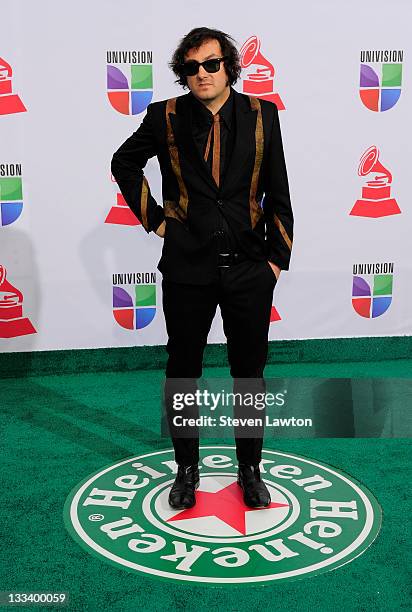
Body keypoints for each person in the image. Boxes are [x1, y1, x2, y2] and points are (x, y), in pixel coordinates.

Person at [111, 27, 293, 511]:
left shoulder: (262, 115)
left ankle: (250, 470)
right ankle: (186, 470)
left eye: (211, 64)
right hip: (187, 268)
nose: (202, 75)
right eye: (191, 68)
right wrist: (155, 220)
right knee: (183, 371)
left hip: (250, 267)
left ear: (229, 66)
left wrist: (277, 259)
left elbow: (278, 190)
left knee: (249, 374)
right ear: (183, 74)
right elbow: (123, 164)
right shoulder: (164, 116)